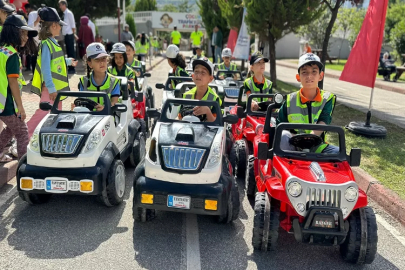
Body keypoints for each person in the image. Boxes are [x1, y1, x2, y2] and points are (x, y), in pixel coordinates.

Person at [27, 7, 77, 138]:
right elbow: (45, 68)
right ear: (54, 25)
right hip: (51, 90)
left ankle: (46, 138)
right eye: (59, 25)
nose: (60, 28)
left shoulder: (52, 43)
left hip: (56, 90)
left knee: (55, 115)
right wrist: (50, 88)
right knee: (42, 114)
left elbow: (56, 61)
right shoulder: (46, 44)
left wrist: (68, 62)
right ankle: (24, 137)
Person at [276, 53, 338, 154]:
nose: (309, 76)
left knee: (340, 155)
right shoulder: (289, 100)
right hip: (292, 146)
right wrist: (297, 139)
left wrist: (310, 139)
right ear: (298, 77)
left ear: (320, 76)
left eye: (314, 72)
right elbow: (279, 126)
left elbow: (324, 120)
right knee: (283, 135)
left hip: (317, 146)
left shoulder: (327, 99)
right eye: (304, 72)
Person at [0, 14, 37, 162]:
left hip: (2, 103)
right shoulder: (12, 55)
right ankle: (24, 165)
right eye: (24, 33)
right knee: (22, 132)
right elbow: (13, 82)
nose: (26, 37)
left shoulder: (2, 51)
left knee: (10, 129)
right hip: (8, 104)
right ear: (14, 32)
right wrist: (20, 107)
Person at [76, 42, 120, 111]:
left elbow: (114, 102)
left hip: (108, 119)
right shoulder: (83, 82)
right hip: (89, 118)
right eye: (97, 59)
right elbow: (81, 103)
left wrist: (104, 109)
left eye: (103, 58)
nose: (102, 62)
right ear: (90, 63)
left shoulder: (114, 81)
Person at [182, 57, 222, 122]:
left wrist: (207, 111)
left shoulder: (215, 99)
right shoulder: (186, 95)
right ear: (193, 76)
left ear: (210, 79)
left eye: (203, 73)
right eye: (196, 71)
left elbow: (217, 123)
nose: (198, 75)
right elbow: (179, 118)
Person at [59, 0, 76, 74]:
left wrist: (73, 34)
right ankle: (70, 67)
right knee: (68, 52)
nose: (60, 7)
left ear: (64, 5)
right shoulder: (64, 14)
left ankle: (72, 68)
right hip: (66, 35)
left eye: (60, 5)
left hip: (69, 35)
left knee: (71, 52)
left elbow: (72, 25)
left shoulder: (69, 13)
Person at [25, 3, 40, 73]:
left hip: (42, 39)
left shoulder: (46, 16)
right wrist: (36, 21)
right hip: (34, 40)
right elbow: (29, 27)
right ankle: (34, 75)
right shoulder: (32, 14)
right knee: (34, 58)